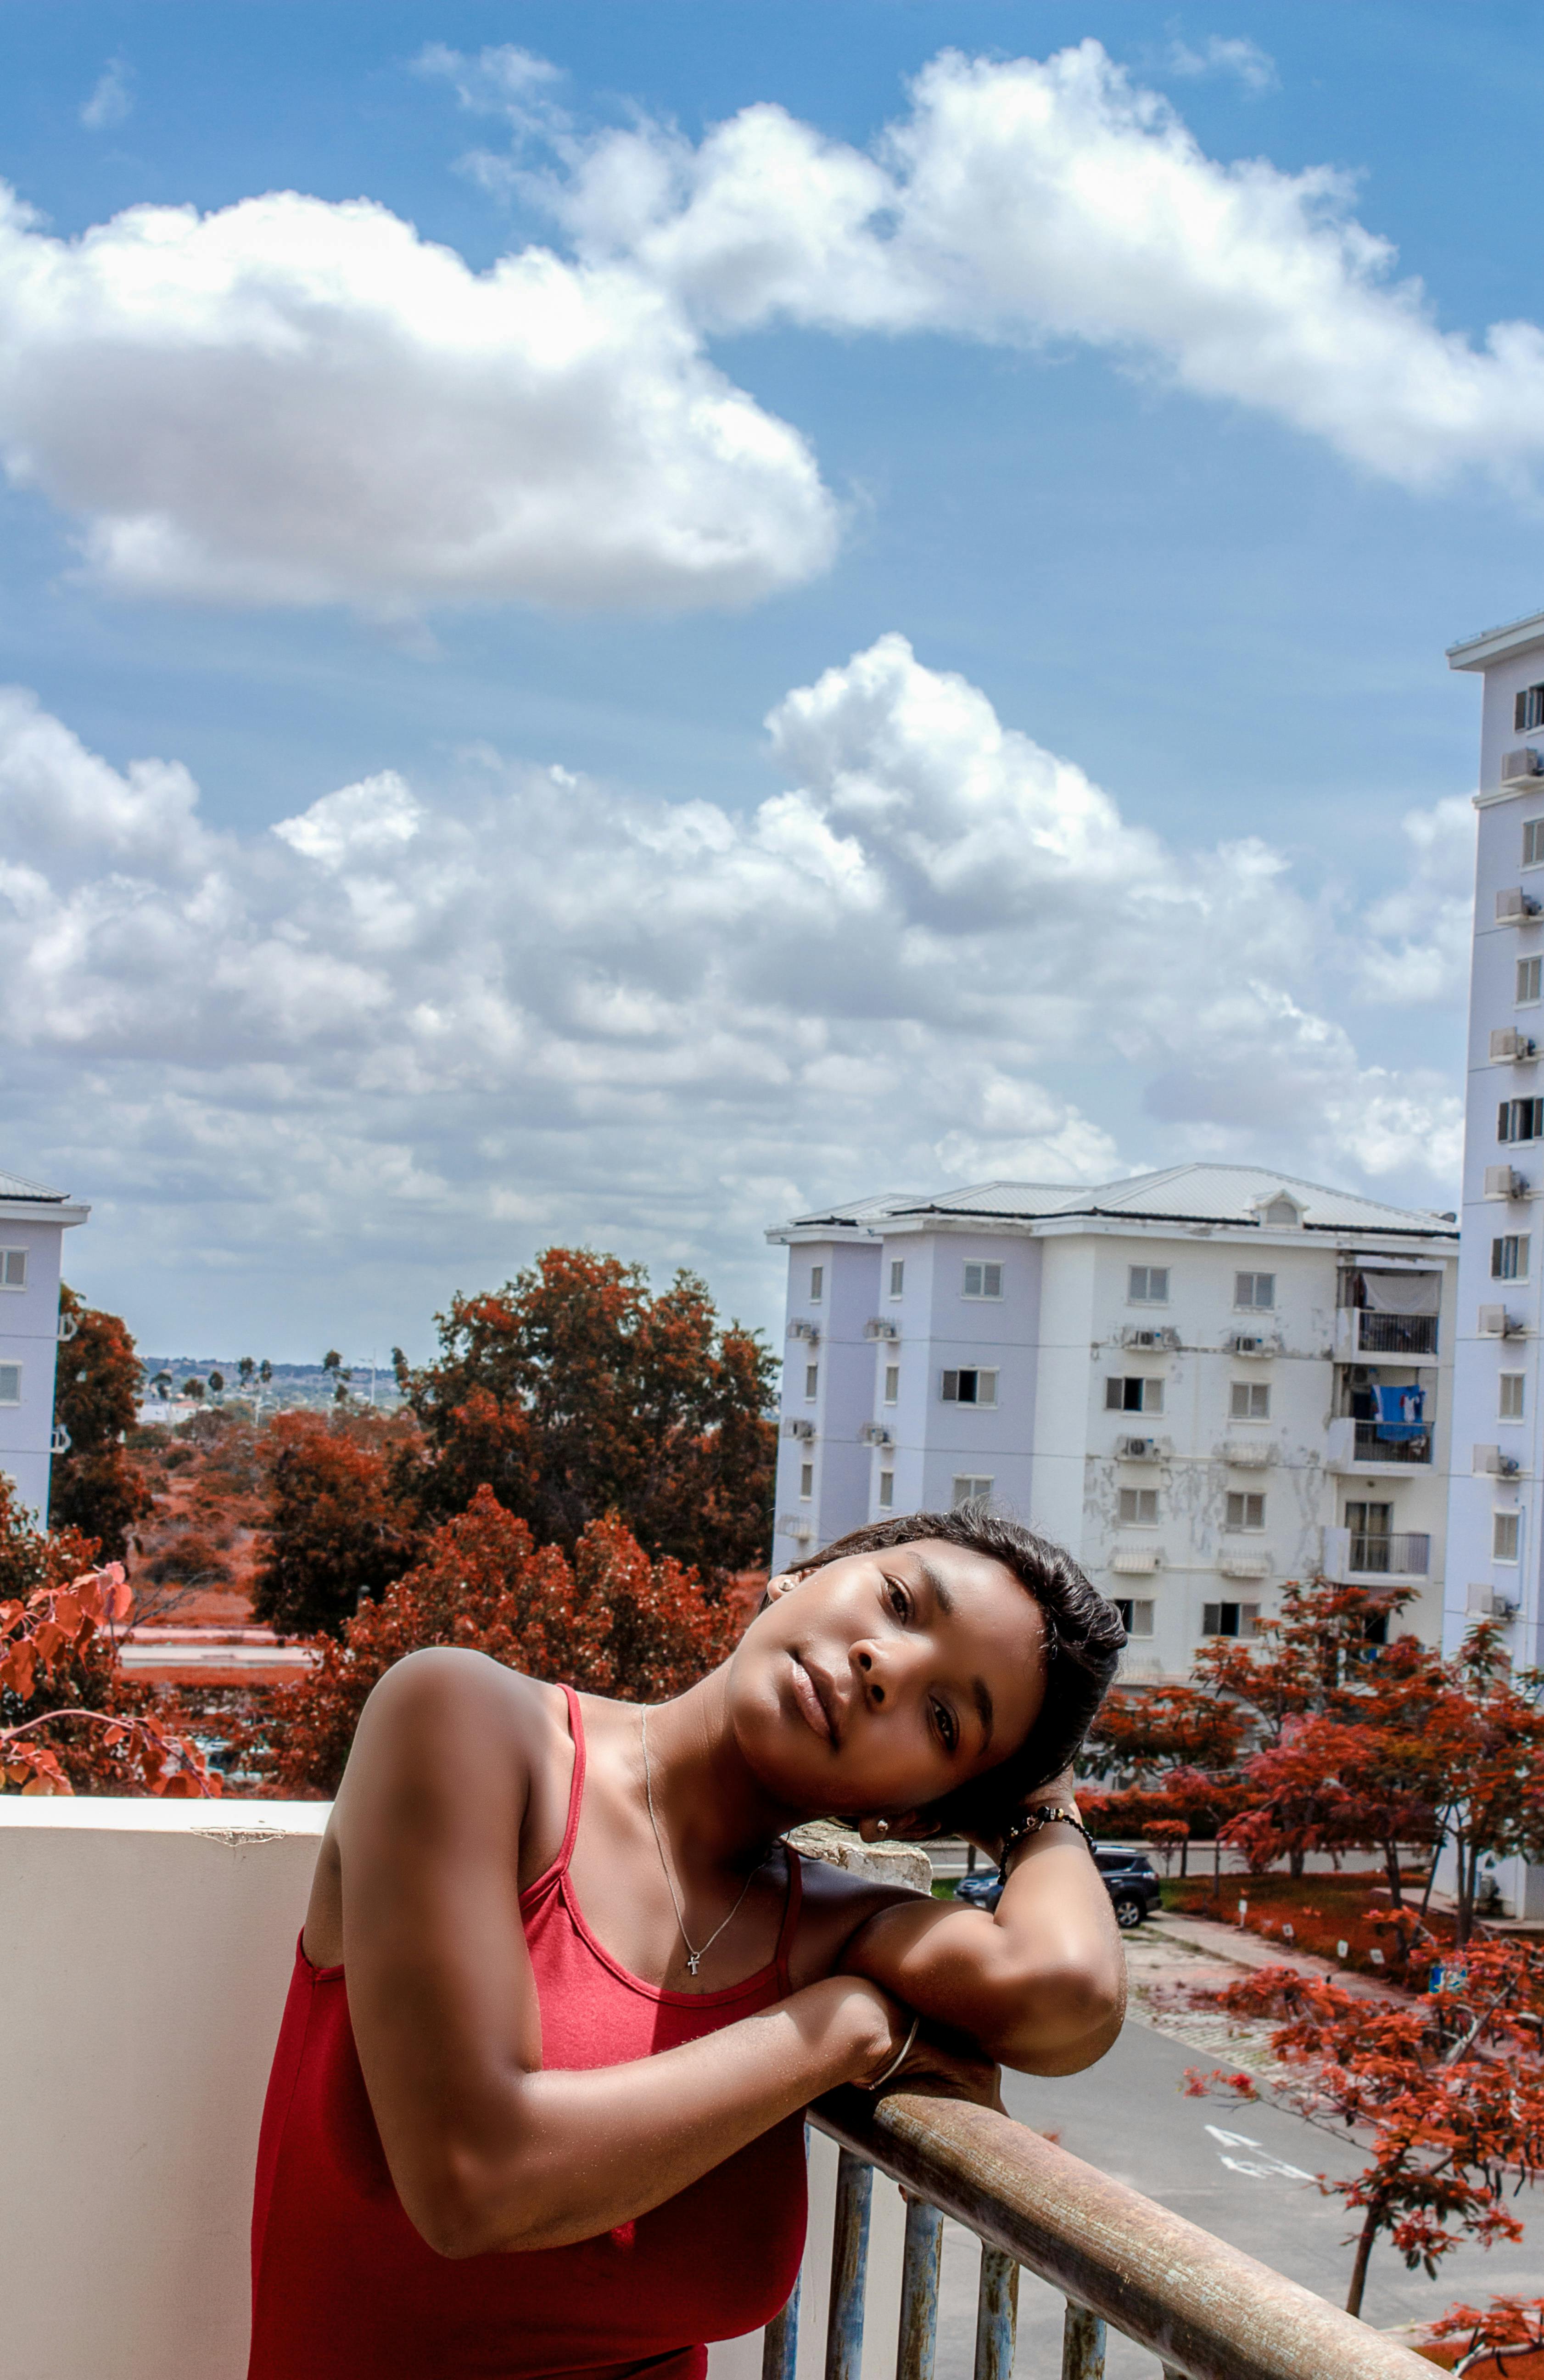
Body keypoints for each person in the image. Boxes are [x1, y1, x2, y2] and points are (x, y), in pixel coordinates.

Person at [246, 1506, 1128, 2380]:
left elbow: (1067, 1996)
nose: (882, 1668)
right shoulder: (468, 1722)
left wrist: (1042, 1807)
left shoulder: (831, 1926)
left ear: (917, 1813)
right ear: (805, 1574)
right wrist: (845, 2028)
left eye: (944, 1720)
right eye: (898, 1600)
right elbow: (477, 2180)